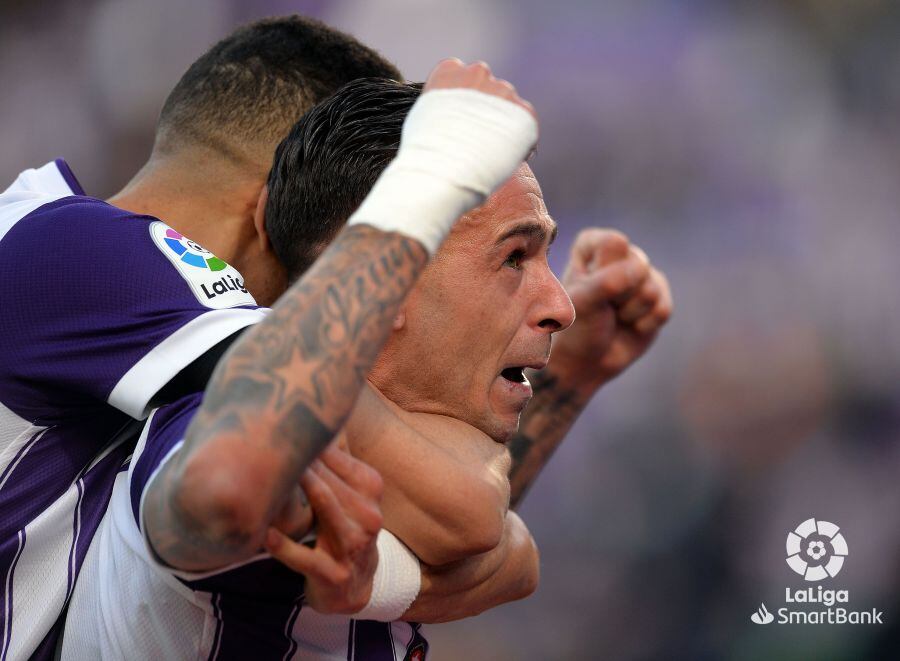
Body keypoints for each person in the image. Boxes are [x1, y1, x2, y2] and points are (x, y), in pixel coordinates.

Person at [62, 71, 668, 658]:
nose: (561, 306)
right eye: (514, 256)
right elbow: (218, 493)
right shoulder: (233, 417)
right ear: (392, 279)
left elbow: (497, 538)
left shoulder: (390, 454)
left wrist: (573, 375)